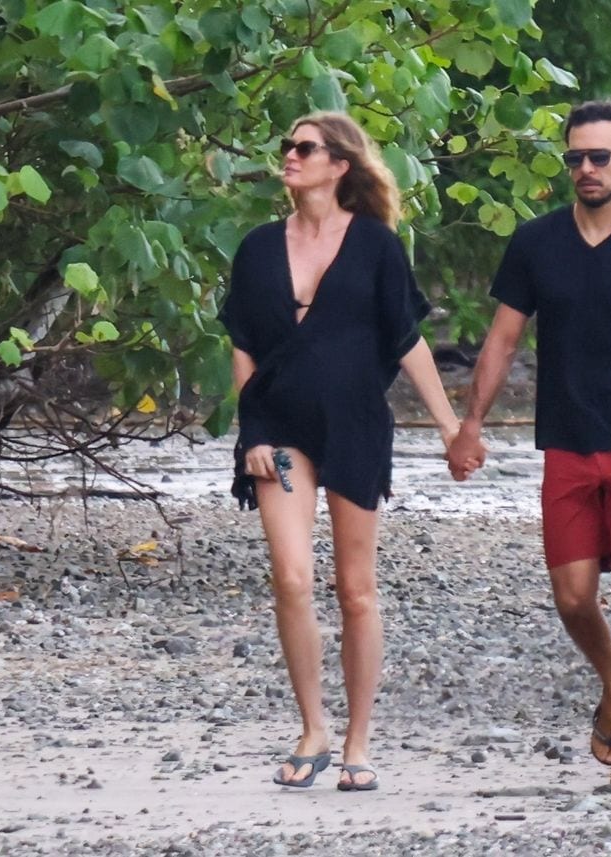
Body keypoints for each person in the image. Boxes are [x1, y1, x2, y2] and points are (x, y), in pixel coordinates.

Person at [447, 100, 611, 788]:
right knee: (571, 595)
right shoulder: (537, 243)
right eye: (575, 158)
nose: (586, 170)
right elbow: (502, 338)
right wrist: (470, 422)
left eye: (599, 157)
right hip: (566, 433)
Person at [219, 111, 460, 792]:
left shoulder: (377, 246)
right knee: (291, 575)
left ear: (340, 165)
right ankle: (313, 727)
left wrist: (449, 428)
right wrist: (252, 433)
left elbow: (407, 339)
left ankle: (358, 739)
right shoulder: (258, 247)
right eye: (286, 146)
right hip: (280, 427)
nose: (289, 157)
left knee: (355, 589)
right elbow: (242, 343)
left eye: (304, 148)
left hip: (355, 425)